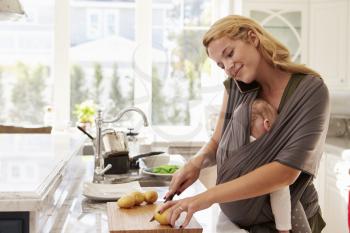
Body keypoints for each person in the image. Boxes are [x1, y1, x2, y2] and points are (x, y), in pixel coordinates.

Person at [159, 15, 329, 233]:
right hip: (237, 226)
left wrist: (207, 197)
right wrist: (196, 163)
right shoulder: (235, 88)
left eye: (229, 54)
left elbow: (285, 173)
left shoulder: (311, 92)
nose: (228, 67)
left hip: (287, 225)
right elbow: (216, 143)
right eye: (221, 65)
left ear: (253, 38)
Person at [251, 99, 291, 233]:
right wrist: (284, 228)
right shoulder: (269, 154)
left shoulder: (238, 147)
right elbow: (280, 191)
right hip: (264, 217)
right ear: (267, 124)